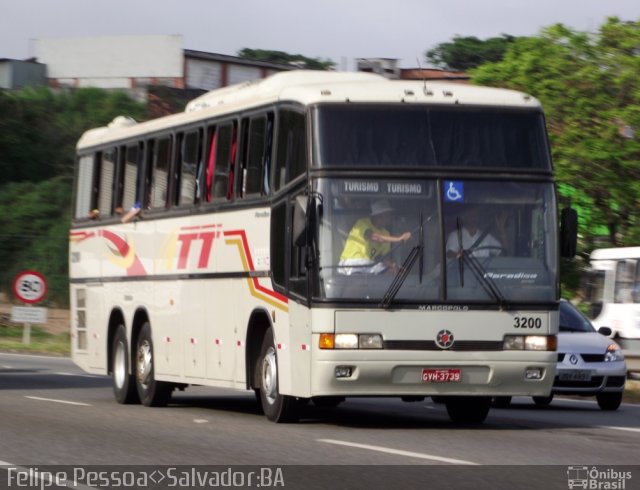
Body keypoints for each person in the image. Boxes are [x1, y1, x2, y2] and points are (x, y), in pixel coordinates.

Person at [338, 199, 412, 274]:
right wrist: (399, 239)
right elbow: (375, 237)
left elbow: (383, 258)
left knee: (392, 273)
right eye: (388, 214)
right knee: (359, 281)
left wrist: (395, 266)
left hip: (369, 265)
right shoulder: (362, 223)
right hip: (352, 263)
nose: (390, 217)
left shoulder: (386, 233)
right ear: (379, 216)